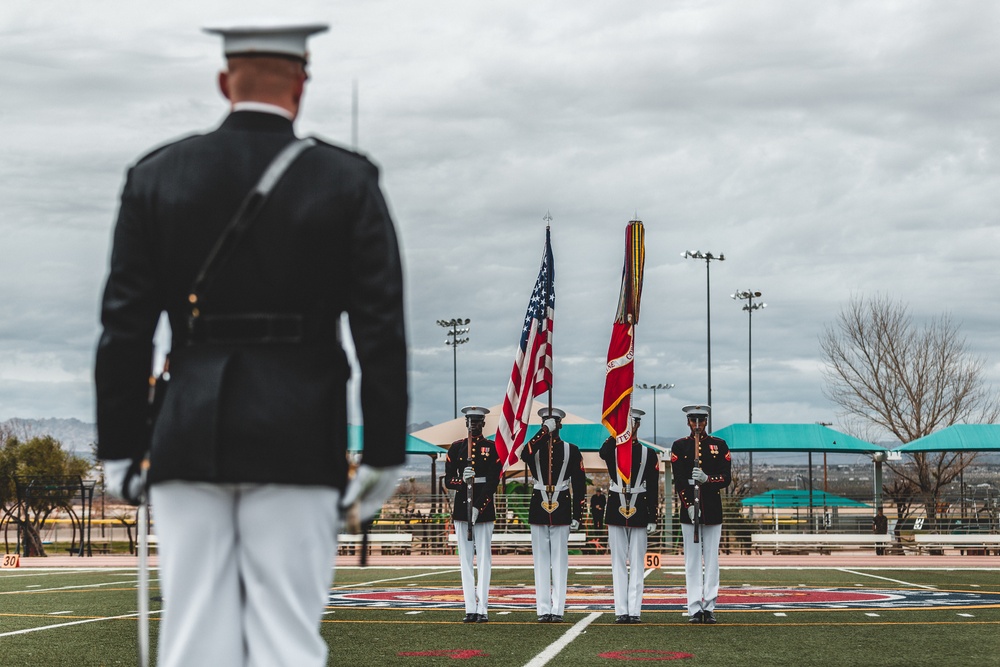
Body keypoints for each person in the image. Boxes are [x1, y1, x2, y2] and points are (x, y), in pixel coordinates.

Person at [94, 23, 407, 667]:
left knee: (193, 638)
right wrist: (381, 449)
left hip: (187, 429)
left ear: (222, 81)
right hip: (300, 429)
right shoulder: (345, 180)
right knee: (286, 638)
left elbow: (125, 327)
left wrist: (120, 445)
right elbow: (380, 328)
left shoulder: (156, 175)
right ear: (301, 84)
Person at [520, 407, 587, 623]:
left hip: (562, 504)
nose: (551, 425)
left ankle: (557, 608)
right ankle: (542, 608)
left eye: (554, 422)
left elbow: (579, 484)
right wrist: (541, 433)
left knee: (559, 560)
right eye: (547, 422)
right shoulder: (535, 448)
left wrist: (578, 514)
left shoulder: (572, 450)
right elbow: (523, 454)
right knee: (540, 561)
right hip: (539, 505)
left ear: (561, 424)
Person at [671, 405, 731, 625]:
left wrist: (708, 479)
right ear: (688, 422)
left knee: (712, 560)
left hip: (713, 508)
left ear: (706, 422)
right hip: (690, 511)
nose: (697, 425)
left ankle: (710, 606)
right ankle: (694, 607)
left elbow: (726, 477)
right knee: (693, 561)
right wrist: (687, 504)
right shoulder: (680, 445)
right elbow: (678, 480)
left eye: (701, 421)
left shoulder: (719, 445)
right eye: (693, 421)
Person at [599, 408, 659, 624]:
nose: (630, 426)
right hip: (616, 505)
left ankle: (634, 610)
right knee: (618, 562)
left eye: (633, 422)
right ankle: (620, 610)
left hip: (640, 506)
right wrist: (616, 432)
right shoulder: (612, 449)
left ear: (639, 424)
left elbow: (653, 488)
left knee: (637, 562)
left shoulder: (648, 454)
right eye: (626, 421)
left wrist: (653, 516)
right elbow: (602, 452)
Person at [444, 406, 501, 623]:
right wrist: (461, 481)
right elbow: (448, 479)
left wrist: (479, 506)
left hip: (484, 509)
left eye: (477, 421)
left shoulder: (492, 447)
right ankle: (470, 607)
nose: (473, 425)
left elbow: (494, 480)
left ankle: (483, 608)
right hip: (461, 508)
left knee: (484, 559)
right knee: (465, 560)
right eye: (469, 421)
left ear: (483, 423)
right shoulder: (456, 447)